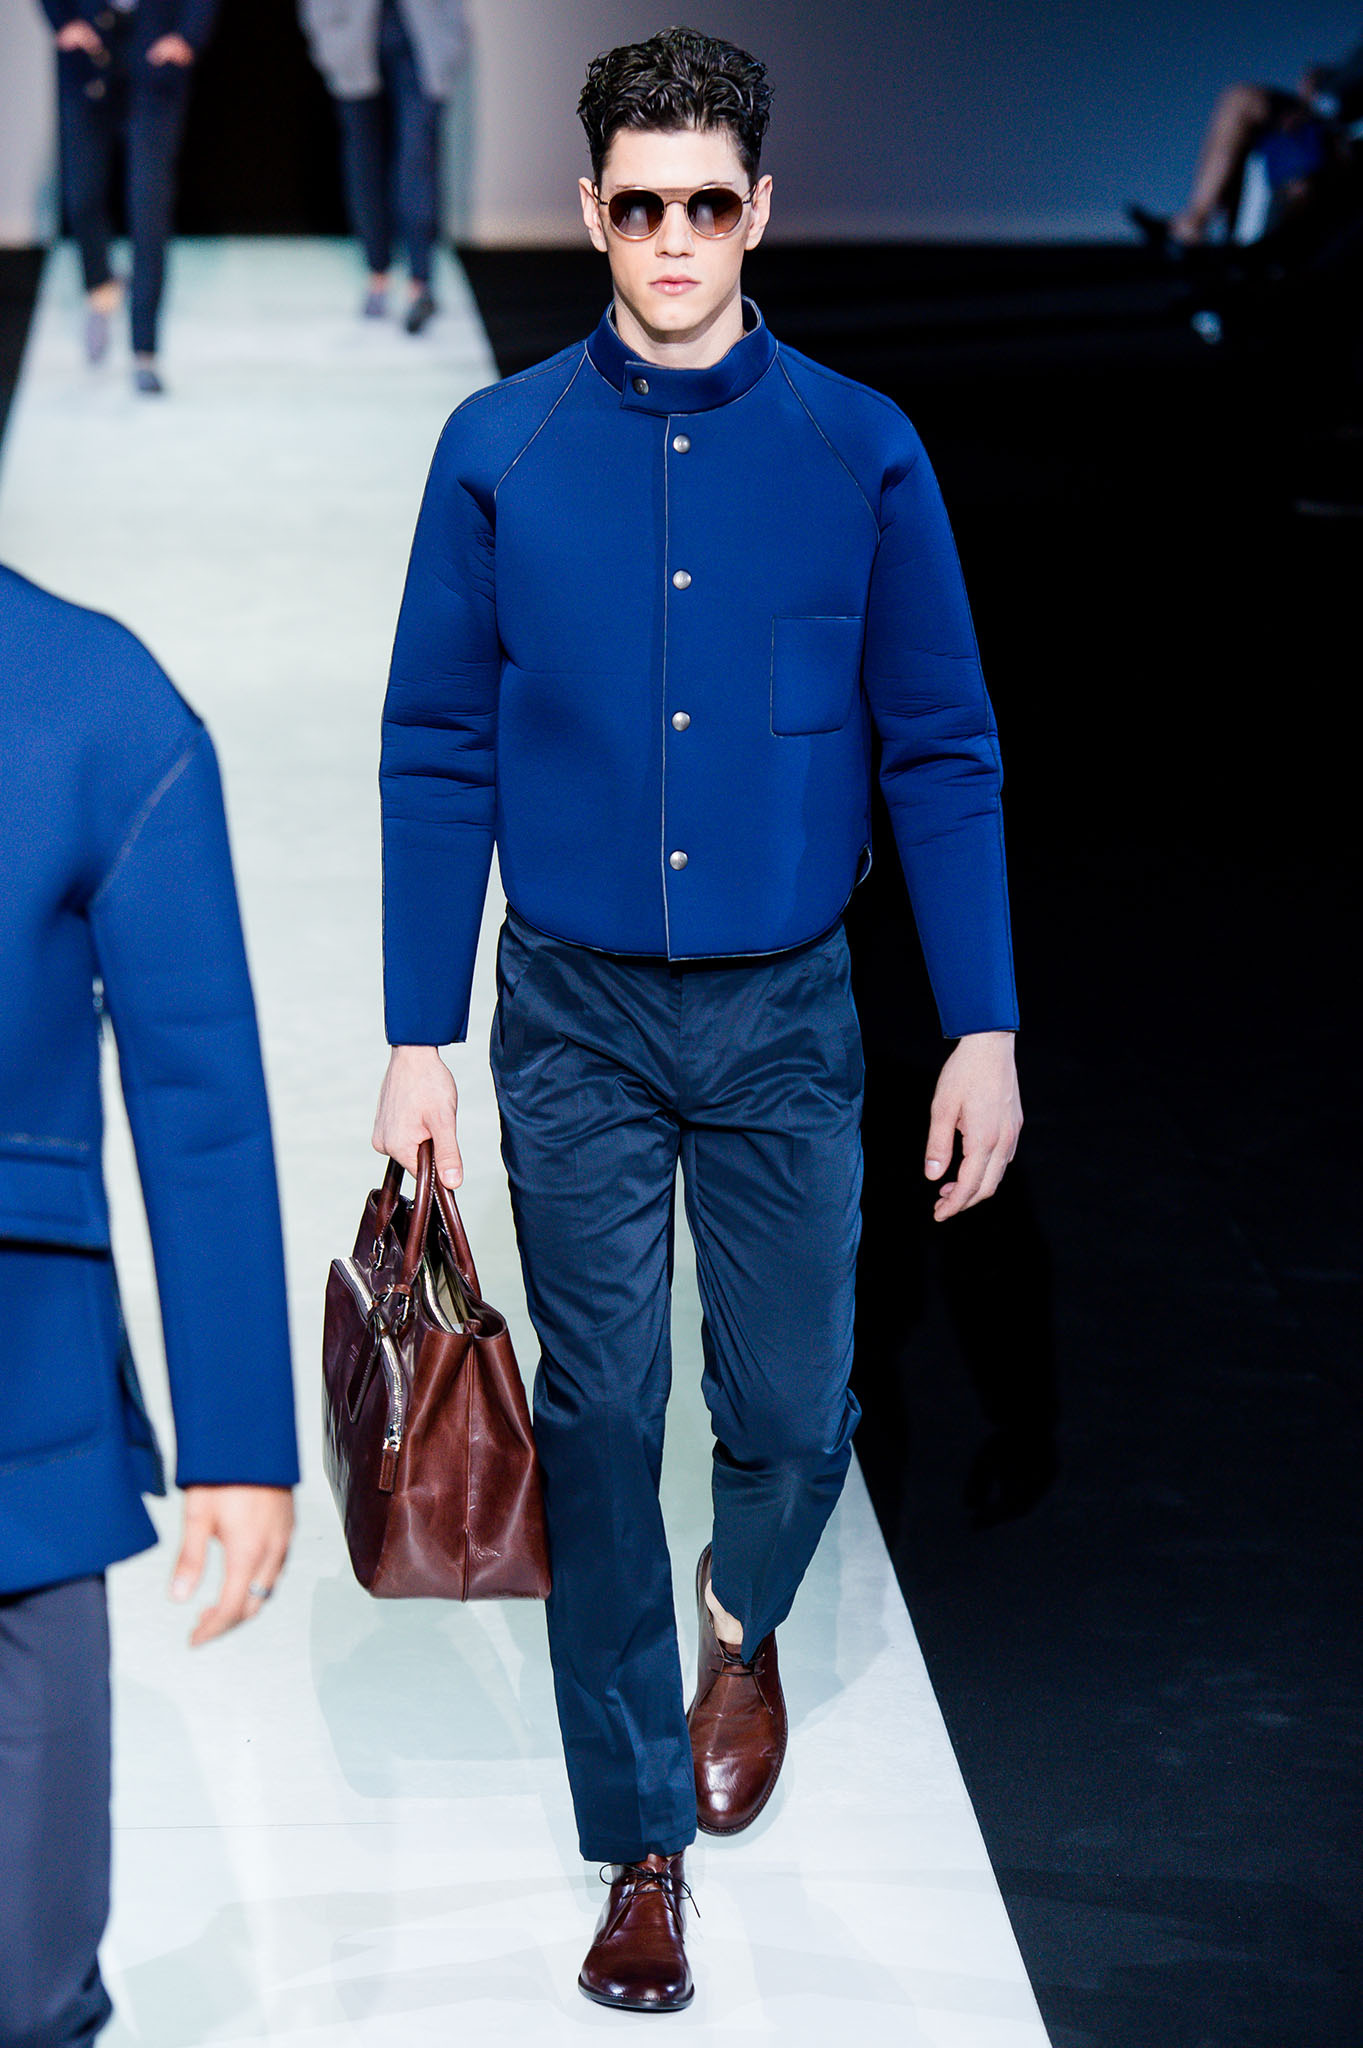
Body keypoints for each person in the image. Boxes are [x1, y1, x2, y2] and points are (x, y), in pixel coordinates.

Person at [372, 26, 1021, 2014]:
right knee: (594, 1416)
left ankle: (740, 1618)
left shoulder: (859, 448)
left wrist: (982, 1022)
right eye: (639, 204)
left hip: (784, 1013)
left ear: (759, 211)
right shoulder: (496, 449)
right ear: (589, 212)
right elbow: (433, 744)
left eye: (706, 204)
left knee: (799, 1406)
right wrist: (415, 1031)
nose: (672, 239)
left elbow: (940, 743)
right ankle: (640, 1840)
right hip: (567, 1011)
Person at [0, 564, 299, 2045]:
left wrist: (238, 1440)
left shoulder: (94, 698)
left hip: (20, 1407)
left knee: (25, 1984)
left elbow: (201, 1093)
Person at [39, 0, 218, 394]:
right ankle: (101, 289)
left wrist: (188, 35)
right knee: (82, 198)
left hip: (155, 55)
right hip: (87, 58)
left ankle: (145, 353)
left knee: (149, 209)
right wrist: (61, 21)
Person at [299, 0, 467, 334]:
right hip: (352, 39)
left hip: (422, 42)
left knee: (417, 160)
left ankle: (420, 282)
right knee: (364, 165)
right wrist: (327, 43)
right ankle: (377, 275)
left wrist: (451, 42)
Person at [1129, 31, 1363, 251]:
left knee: (1252, 114)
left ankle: (1212, 234)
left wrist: (1324, 108)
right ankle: (1195, 222)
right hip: (1319, 114)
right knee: (1238, 99)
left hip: (1337, 127)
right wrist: (1316, 88)